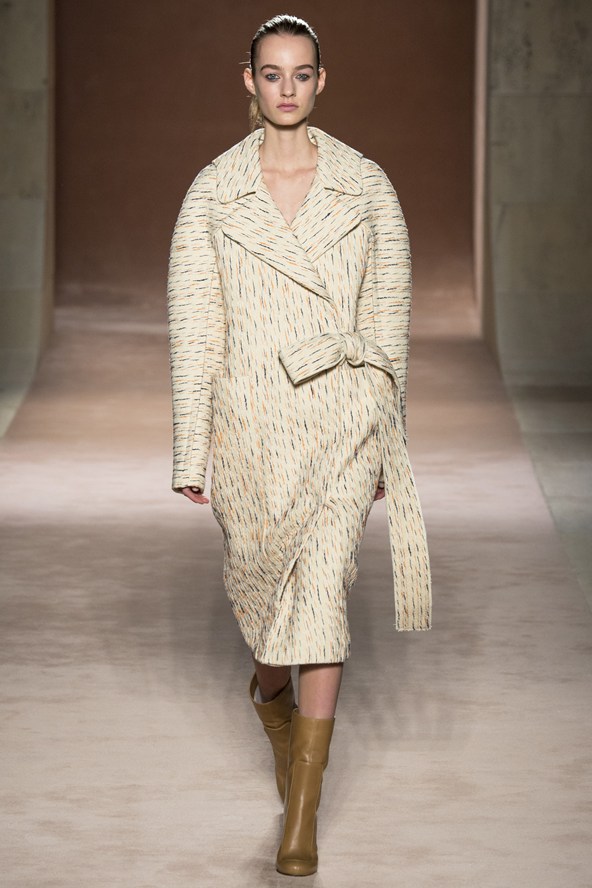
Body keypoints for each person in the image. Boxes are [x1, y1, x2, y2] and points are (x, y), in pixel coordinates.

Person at [166, 13, 432, 877]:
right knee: (269, 620)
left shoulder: (366, 186)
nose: (288, 88)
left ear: (322, 80)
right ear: (249, 80)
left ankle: (302, 816)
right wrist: (191, 448)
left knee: (322, 594)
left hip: (341, 418)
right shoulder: (214, 191)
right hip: (249, 425)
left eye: (302, 73)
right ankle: (272, 707)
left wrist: (387, 436)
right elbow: (196, 328)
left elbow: (388, 319)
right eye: (272, 74)